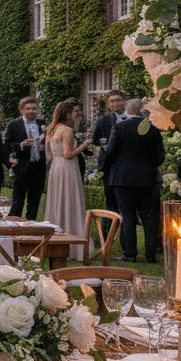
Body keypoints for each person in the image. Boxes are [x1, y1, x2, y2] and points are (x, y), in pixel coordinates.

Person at [102, 99, 165, 262]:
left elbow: (110, 153)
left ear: (128, 110)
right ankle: (151, 253)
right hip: (146, 179)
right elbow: (160, 157)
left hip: (123, 179)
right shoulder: (153, 129)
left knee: (127, 215)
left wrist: (108, 166)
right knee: (148, 216)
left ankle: (129, 253)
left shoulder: (120, 127)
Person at [43, 99, 91, 259]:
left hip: (56, 168)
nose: (78, 114)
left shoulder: (52, 129)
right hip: (68, 168)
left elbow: (48, 154)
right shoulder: (67, 130)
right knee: (70, 201)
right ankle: (73, 246)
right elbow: (69, 154)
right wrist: (84, 145)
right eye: (75, 111)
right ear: (67, 114)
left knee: (58, 201)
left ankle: (55, 242)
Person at [3, 96, 47, 220]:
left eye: (34, 108)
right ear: (21, 110)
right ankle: (14, 228)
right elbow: (7, 146)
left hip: (38, 168)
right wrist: (22, 144)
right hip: (22, 168)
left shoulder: (41, 123)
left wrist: (44, 145)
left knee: (34, 202)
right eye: (28, 109)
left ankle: (30, 230)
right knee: (18, 201)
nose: (32, 111)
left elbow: (47, 141)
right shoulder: (14, 124)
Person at [91, 89, 127, 229]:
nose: (116, 103)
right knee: (110, 200)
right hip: (109, 165)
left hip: (127, 164)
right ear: (108, 105)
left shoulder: (131, 118)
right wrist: (105, 144)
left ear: (123, 101)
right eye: (112, 101)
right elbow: (95, 140)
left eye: (118, 100)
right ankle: (108, 234)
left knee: (125, 202)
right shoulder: (103, 120)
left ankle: (125, 229)